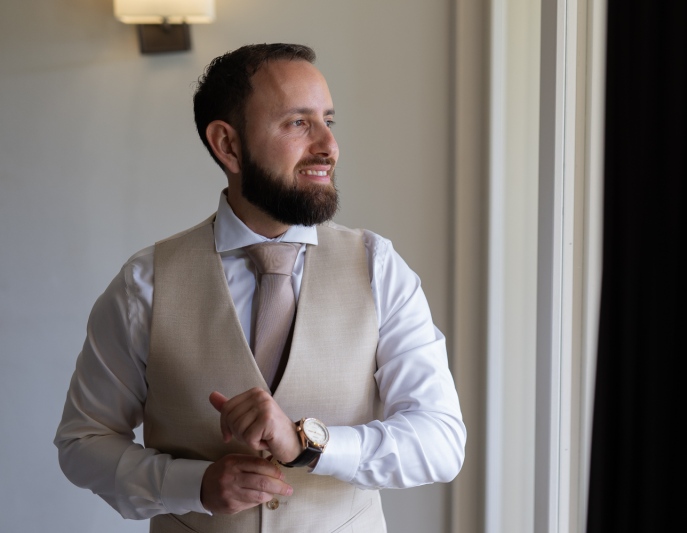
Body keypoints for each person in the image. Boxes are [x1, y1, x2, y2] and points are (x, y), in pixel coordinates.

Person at [54, 43, 466, 533]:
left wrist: (311, 445)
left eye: (328, 121)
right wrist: (193, 485)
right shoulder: (144, 285)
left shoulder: (378, 268)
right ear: (227, 145)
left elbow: (440, 442)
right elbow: (83, 442)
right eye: (297, 123)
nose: (328, 147)